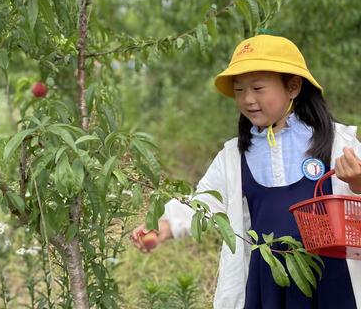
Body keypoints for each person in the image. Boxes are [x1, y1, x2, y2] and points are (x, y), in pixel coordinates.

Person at [130, 34, 361, 308]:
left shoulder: (338, 143)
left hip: (330, 277)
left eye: (258, 88)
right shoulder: (234, 156)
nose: (248, 99)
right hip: (266, 281)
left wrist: (358, 183)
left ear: (293, 87)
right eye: (239, 90)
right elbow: (206, 200)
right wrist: (166, 225)